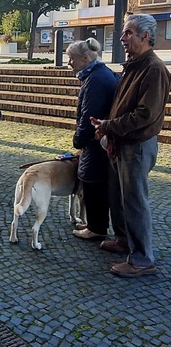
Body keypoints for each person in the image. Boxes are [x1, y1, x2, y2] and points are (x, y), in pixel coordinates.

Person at [92, 14, 171, 278]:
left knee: (135, 200)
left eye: (128, 33)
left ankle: (142, 259)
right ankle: (124, 241)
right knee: (120, 196)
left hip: (136, 145)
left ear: (144, 37)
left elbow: (145, 115)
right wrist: (107, 125)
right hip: (121, 142)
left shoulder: (154, 69)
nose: (122, 38)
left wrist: (110, 126)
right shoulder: (135, 64)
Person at [66, 38, 118, 241]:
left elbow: (89, 116)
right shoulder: (99, 74)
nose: (69, 62)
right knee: (95, 182)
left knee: (92, 182)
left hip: (96, 143)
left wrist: (77, 141)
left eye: (72, 59)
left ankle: (96, 228)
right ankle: (96, 224)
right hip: (100, 140)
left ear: (85, 58)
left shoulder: (95, 80)